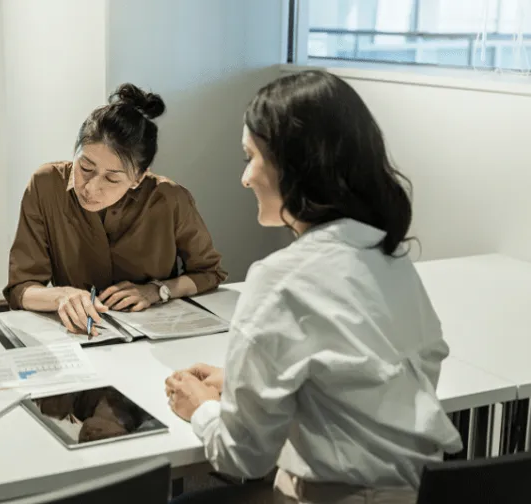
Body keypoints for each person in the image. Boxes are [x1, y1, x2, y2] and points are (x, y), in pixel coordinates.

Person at [165, 70, 463, 504]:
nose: (245, 177)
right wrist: (245, 382)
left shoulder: (279, 278)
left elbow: (242, 457)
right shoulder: (389, 259)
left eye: (251, 157)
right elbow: (361, 380)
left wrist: (201, 408)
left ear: (293, 165)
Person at [4, 83, 226, 335]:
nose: (91, 188)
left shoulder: (170, 199)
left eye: (112, 179)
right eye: (85, 168)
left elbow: (209, 273)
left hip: (152, 336)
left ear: (139, 178)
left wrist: (157, 291)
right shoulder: (46, 185)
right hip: (79, 336)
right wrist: (61, 296)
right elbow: (21, 288)